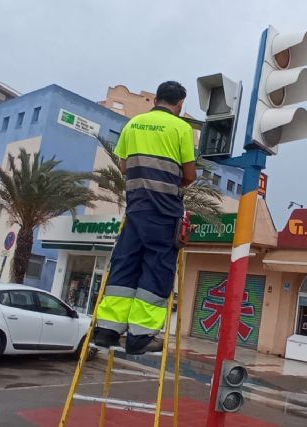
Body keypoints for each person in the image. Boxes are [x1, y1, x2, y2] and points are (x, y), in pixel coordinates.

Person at [93, 81, 197, 355]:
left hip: (136, 208)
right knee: (157, 267)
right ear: (179, 104)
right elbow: (189, 175)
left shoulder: (134, 124)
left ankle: (106, 331)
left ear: (156, 99)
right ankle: (140, 337)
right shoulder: (181, 128)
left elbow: (125, 166)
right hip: (164, 211)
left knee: (125, 263)